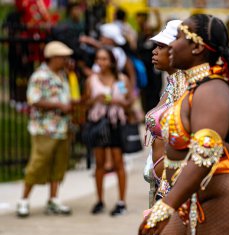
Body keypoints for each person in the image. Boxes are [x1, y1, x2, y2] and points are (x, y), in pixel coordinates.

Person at [138, 14, 229, 235]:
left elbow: (204, 155)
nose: (171, 45)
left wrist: (165, 207)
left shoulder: (212, 90)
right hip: (192, 196)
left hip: (225, 201)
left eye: (178, 38)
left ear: (196, 47)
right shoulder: (195, 87)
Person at [17, 41, 73, 217]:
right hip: (44, 129)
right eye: (63, 58)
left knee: (59, 164)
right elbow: (33, 100)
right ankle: (23, 201)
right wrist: (58, 105)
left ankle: (53, 200)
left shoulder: (62, 74)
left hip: (61, 128)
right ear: (53, 58)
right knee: (38, 164)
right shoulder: (40, 76)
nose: (66, 61)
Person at [83, 47, 132, 216]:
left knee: (119, 162)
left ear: (111, 61)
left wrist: (117, 101)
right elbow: (85, 102)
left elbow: (127, 103)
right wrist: (95, 99)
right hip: (98, 123)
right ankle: (99, 200)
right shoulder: (92, 80)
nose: (100, 62)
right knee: (99, 163)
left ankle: (121, 201)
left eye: (104, 59)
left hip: (116, 122)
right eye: (98, 58)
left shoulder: (121, 80)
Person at [143, 19, 186, 207]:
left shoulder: (186, 85)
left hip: (176, 186)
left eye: (161, 46)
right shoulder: (172, 84)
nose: (154, 51)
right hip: (163, 183)